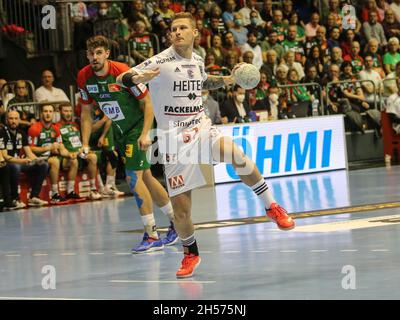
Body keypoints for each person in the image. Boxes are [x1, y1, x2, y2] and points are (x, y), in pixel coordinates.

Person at [117, 12, 295, 278]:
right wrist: (135, 79)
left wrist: (228, 80)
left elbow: (202, 79)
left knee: (238, 155)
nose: (177, 32)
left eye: (182, 28)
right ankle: (191, 253)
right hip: (173, 139)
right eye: (174, 29)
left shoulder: (197, 59)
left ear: (195, 33)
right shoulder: (161, 60)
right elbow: (122, 79)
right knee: (182, 211)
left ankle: (272, 206)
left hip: (200, 126)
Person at [78, 35, 178, 253]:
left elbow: (147, 103)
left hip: (137, 127)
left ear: (107, 54)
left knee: (133, 177)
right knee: (147, 177)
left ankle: (152, 235)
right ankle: (176, 221)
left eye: (98, 53)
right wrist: (85, 143)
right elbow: (86, 112)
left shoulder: (123, 73)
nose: (94, 57)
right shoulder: (84, 77)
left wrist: (145, 135)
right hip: (120, 129)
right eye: (90, 54)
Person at [28, 104, 79, 205]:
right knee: (55, 161)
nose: (48, 114)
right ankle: (55, 194)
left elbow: (61, 147)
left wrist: (69, 154)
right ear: (41, 113)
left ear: (53, 114)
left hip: (52, 157)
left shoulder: (56, 129)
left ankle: (70, 191)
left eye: (50, 112)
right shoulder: (34, 128)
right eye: (45, 111)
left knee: (74, 161)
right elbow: (30, 149)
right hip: (38, 159)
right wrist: (48, 148)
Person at [0, 110, 49, 208]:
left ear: (19, 120)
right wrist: (21, 161)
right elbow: (5, 156)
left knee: (43, 165)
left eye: (16, 118)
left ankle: (34, 197)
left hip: (20, 162)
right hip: (8, 164)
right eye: (11, 118)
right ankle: (14, 198)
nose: (13, 121)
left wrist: (37, 159)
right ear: (6, 120)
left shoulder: (21, 133)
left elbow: (29, 153)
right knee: (16, 167)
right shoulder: (2, 133)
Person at [55, 103, 102, 200]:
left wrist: (84, 149)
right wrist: (70, 154)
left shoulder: (76, 125)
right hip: (66, 156)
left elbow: (82, 141)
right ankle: (70, 191)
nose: (68, 114)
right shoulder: (56, 127)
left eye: (70, 111)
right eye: (65, 111)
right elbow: (60, 148)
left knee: (93, 157)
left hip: (80, 153)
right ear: (59, 112)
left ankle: (93, 189)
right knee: (74, 160)